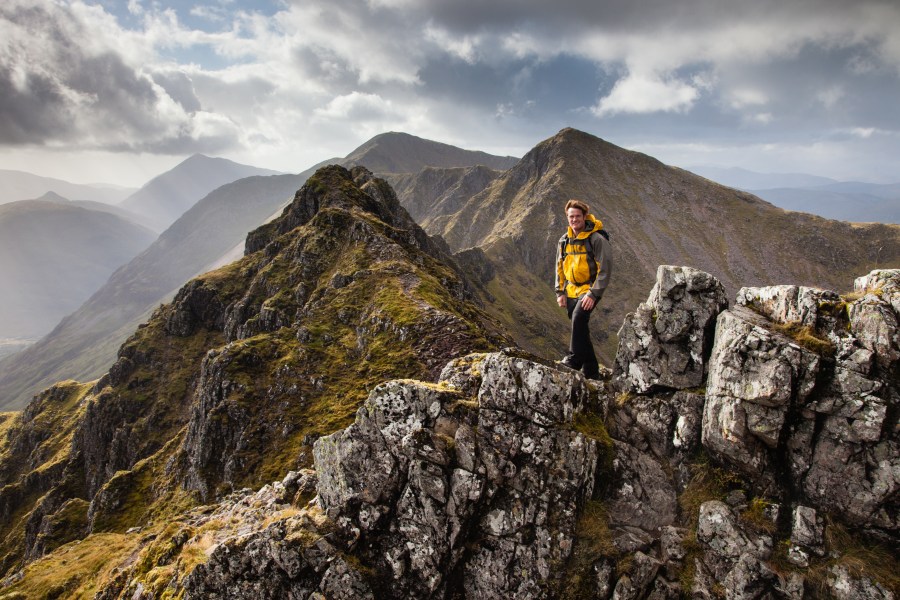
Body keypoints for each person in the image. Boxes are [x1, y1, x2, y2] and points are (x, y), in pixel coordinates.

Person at [554, 199, 612, 380]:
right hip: (571, 290)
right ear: (567, 217)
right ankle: (592, 373)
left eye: (577, 216)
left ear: (585, 216)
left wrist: (594, 294)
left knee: (579, 318)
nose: (574, 219)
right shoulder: (564, 241)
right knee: (581, 330)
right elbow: (559, 267)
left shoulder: (596, 239)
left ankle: (574, 359)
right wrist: (560, 291)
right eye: (571, 216)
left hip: (589, 290)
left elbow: (605, 269)